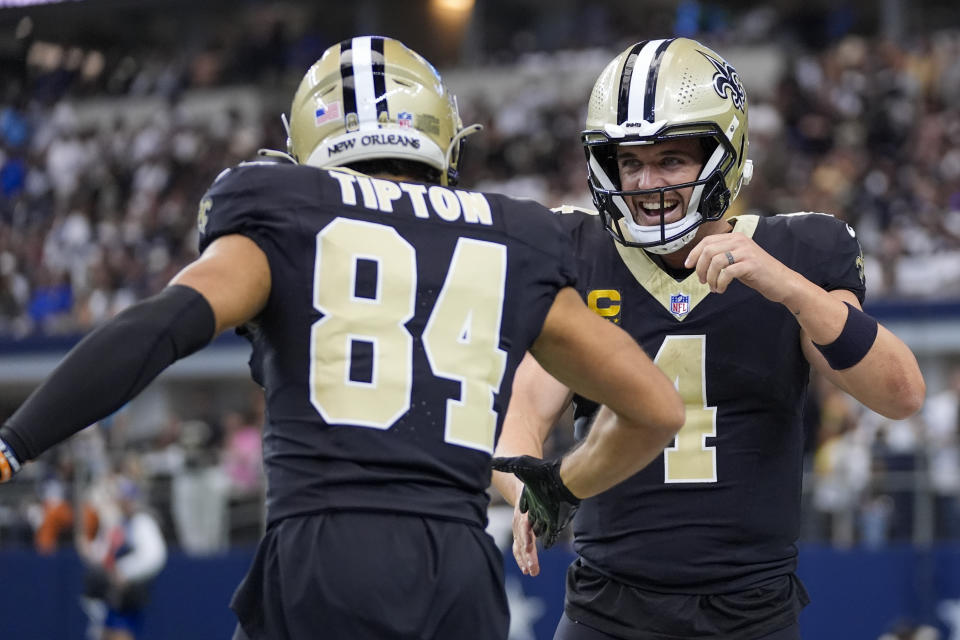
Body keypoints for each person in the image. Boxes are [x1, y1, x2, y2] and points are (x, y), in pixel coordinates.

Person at [0, 36, 685, 640]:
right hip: (461, 572)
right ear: (441, 132)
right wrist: (561, 488)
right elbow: (656, 408)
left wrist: (14, 443)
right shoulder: (513, 235)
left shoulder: (284, 210)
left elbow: (160, 327)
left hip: (326, 552)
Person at [491, 37, 925, 640]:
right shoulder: (583, 252)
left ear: (724, 154)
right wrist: (523, 489)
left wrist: (787, 287)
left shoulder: (800, 249)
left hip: (752, 609)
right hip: (606, 605)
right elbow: (525, 409)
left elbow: (901, 393)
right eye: (630, 162)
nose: (646, 184)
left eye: (671, 160)